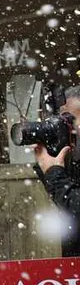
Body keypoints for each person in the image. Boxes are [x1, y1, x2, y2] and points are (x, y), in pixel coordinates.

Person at [34, 86, 80, 256]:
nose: (67, 127)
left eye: (71, 120)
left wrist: (54, 174)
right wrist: (49, 165)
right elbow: (69, 206)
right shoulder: (73, 159)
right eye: (63, 121)